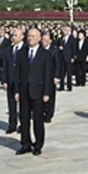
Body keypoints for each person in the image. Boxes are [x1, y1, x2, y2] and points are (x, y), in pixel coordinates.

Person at [16, 27, 55, 155]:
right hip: (24, 90)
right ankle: (25, 143)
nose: (30, 38)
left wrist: (47, 92)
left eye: (33, 36)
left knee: (38, 120)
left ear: (39, 38)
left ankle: (38, 144)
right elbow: (17, 73)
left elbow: (48, 75)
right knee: (24, 119)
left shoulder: (45, 54)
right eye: (29, 36)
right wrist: (16, 91)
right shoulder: (21, 53)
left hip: (38, 91)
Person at [0, 29, 23, 134]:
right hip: (10, 81)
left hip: (22, 81)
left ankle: (23, 124)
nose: (13, 37)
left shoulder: (26, 49)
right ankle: (12, 124)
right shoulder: (8, 50)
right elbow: (4, 67)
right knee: (11, 104)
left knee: (23, 105)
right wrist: (4, 80)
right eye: (12, 35)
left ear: (22, 37)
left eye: (16, 35)